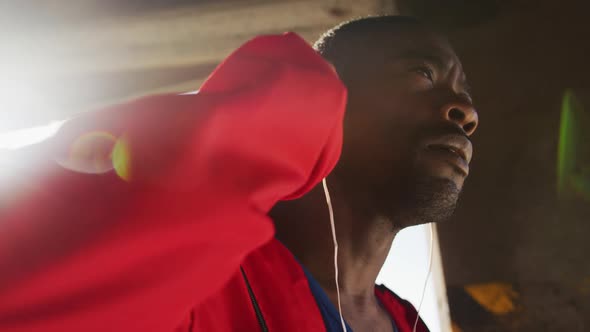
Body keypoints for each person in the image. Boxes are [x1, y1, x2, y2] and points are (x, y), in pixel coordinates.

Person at [0, 15, 477, 332]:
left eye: (465, 92)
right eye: (423, 74)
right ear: (330, 93)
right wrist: (283, 101)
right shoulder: (202, 278)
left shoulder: (408, 322)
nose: (466, 112)